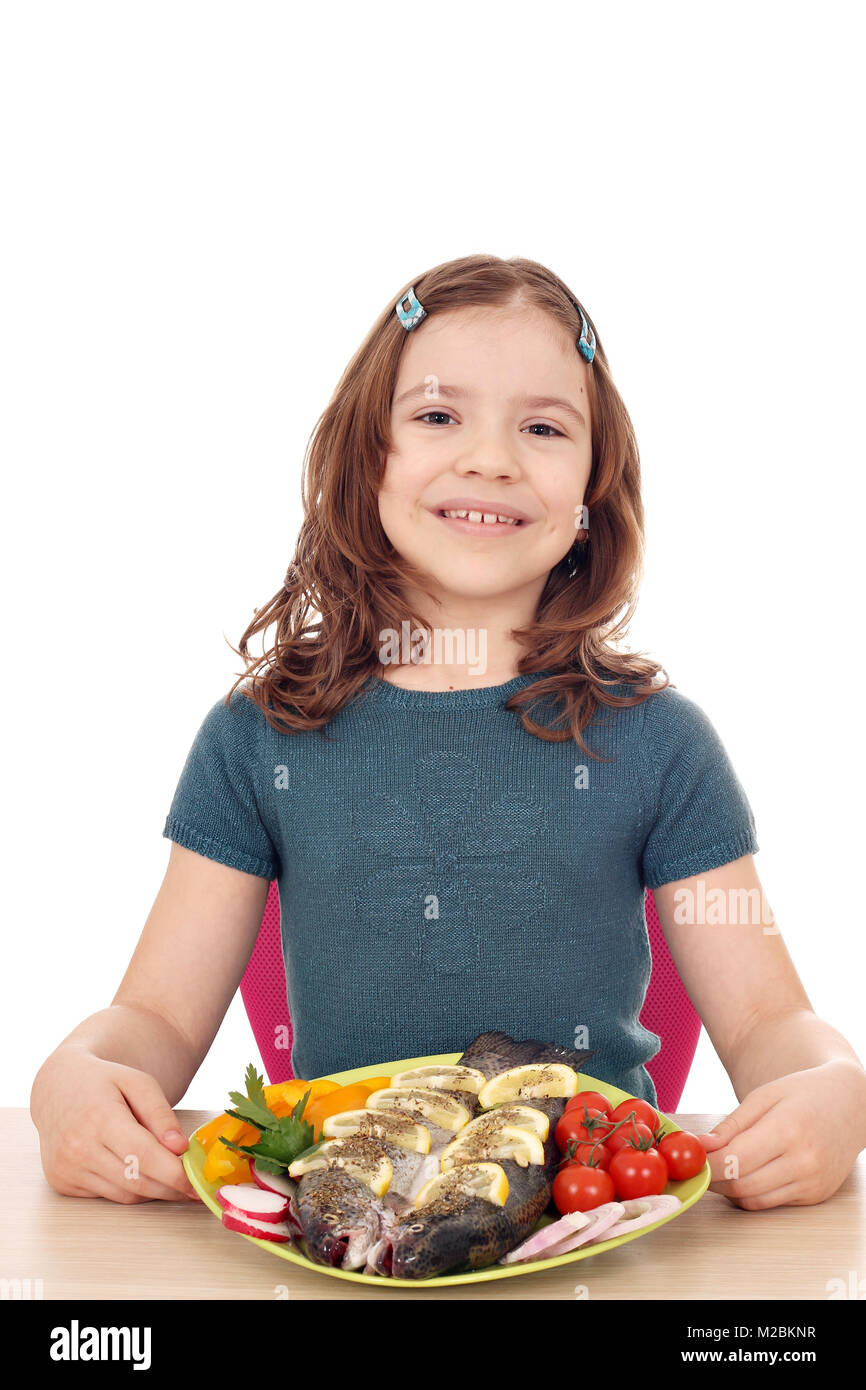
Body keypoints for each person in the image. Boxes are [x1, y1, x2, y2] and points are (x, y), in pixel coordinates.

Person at [30, 254, 866, 1212]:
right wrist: (73, 1073)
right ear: (366, 458)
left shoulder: (663, 745)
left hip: (598, 1229)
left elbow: (772, 1024)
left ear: (593, 487)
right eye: (437, 415)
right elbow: (153, 1018)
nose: (491, 458)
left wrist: (839, 1088)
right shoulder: (255, 739)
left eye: (544, 427)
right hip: (341, 1236)